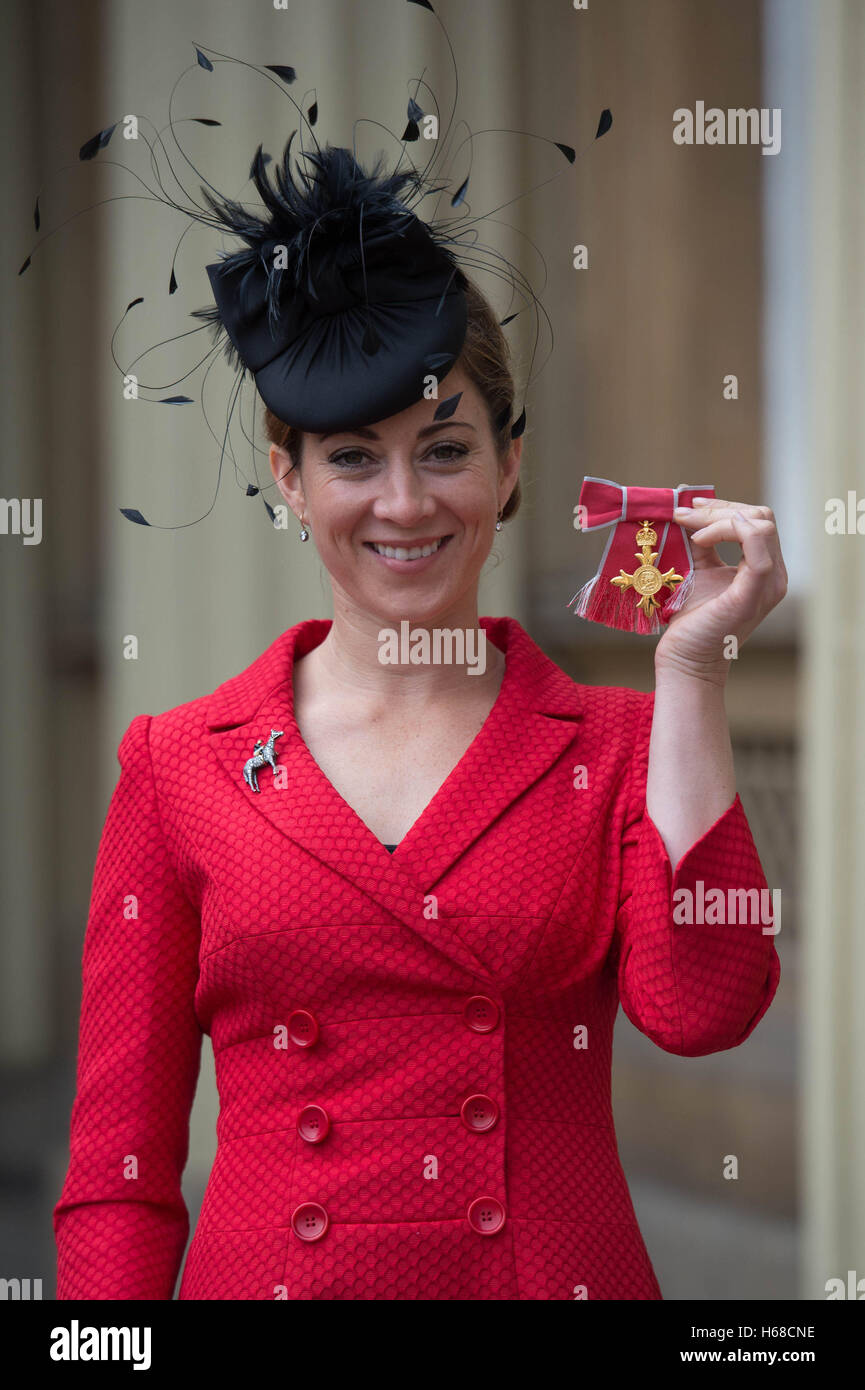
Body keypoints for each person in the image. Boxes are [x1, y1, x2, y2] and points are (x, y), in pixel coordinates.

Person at [45, 25, 786, 1301]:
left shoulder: (610, 745)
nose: (403, 502)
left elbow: (704, 1005)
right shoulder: (178, 766)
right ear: (288, 479)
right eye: (350, 456)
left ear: (509, 465)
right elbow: (118, 1170)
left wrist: (694, 674)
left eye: (444, 449)